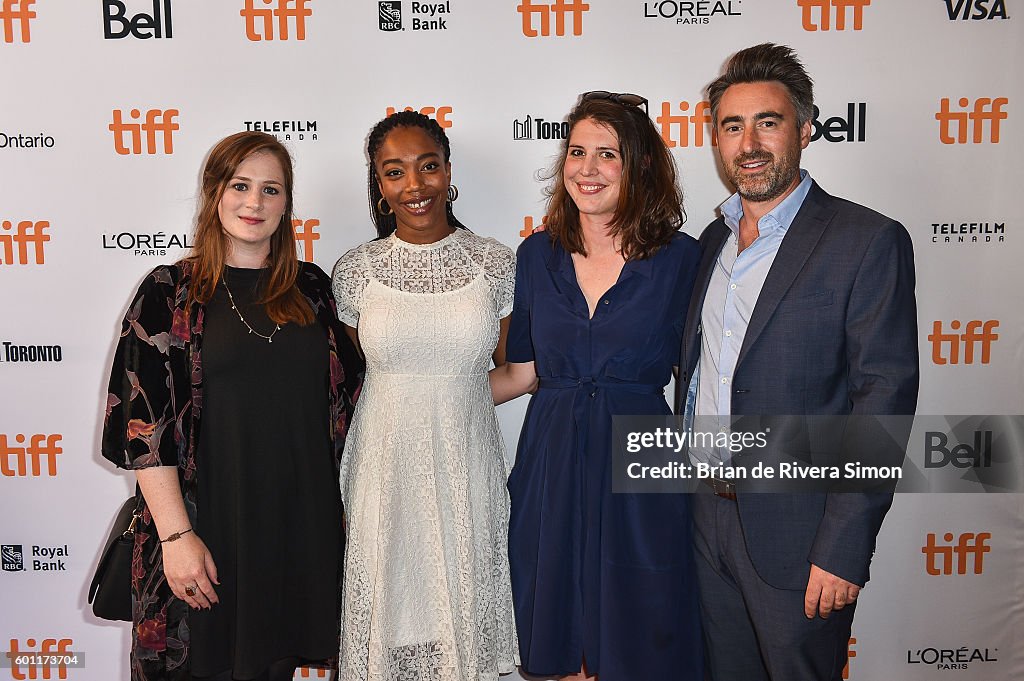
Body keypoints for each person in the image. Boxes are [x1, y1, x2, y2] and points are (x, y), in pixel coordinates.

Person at [678, 43, 919, 681]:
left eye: (768, 122)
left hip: (801, 532)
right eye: (733, 125)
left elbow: (883, 400)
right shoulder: (711, 242)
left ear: (806, 129)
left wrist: (844, 545)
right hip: (705, 519)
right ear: (716, 139)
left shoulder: (866, 241)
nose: (749, 143)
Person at [100, 131, 362, 681]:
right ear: (214, 193)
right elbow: (142, 430)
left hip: (296, 535)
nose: (254, 203)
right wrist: (175, 538)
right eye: (240, 186)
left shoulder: (314, 289)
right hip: (204, 531)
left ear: (287, 203)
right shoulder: (168, 291)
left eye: (271, 190)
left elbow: (357, 401)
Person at [490, 93, 703, 681]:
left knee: (644, 633)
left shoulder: (685, 258)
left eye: (606, 154)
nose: (587, 168)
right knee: (555, 633)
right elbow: (524, 372)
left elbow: (700, 378)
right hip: (552, 460)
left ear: (638, 166)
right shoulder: (536, 254)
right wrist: (421, 401)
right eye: (577, 152)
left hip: (643, 458)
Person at [331, 110, 518, 681]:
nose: (414, 186)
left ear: (447, 171)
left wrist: (455, 400)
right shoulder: (354, 271)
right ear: (379, 185)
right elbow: (364, 380)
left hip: (467, 464)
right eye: (395, 172)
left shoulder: (494, 262)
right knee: (390, 620)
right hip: (382, 470)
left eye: (427, 166)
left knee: (462, 618)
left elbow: (513, 372)